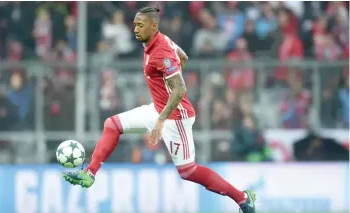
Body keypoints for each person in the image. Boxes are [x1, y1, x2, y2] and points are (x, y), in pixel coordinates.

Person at [62, 6, 256, 213]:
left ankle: (243, 198)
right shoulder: (159, 40)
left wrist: (161, 121)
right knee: (112, 124)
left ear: (153, 26)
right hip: (159, 109)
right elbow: (184, 57)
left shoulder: (161, 51)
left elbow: (180, 89)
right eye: (135, 24)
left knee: (188, 171)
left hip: (175, 117)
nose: (135, 29)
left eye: (140, 25)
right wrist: (171, 74)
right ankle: (89, 174)